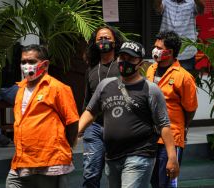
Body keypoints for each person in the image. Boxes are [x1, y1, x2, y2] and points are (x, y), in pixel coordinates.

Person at [78, 41, 179, 188]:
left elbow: (163, 124)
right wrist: (75, 133)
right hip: (112, 155)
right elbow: (90, 111)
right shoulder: (105, 85)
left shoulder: (150, 90)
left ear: (141, 63)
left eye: (131, 59)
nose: (125, 62)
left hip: (140, 154)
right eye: (122, 57)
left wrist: (172, 157)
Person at [6, 44, 79, 188]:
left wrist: (67, 146)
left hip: (47, 160)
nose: (26, 66)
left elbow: (72, 122)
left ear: (44, 65)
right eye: (23, 62)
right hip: (21, 159)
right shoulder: (20, 89)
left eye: (32, 62)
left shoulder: (58, 88)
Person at [147, 30, 198, 188]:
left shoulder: (183, 77)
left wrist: (182, 128)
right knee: (154, 181)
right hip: (150, 136)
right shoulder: (150, 70)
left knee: (168, 182)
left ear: (169, 52)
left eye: (159, 47)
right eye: (155, 46)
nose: (155, 50)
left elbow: (190, 109)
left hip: (171, 138)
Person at [82, 25, 123, 188]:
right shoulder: (91, 70)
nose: (104, 41)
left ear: (115, 42)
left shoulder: (123, 66)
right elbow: (87, 101)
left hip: (120, 127)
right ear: (94, 43)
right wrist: (81, 128)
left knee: (116, 174)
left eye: (107, 38)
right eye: (100, 39)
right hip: (95, 127)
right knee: (90, 173)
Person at [154, 0, 205, 71]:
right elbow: (158, 8)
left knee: (185, 80)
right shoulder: (166, 1)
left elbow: (201, 10)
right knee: (164, 79)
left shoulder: (192, 2)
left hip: (186, 53)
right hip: (165, 51)